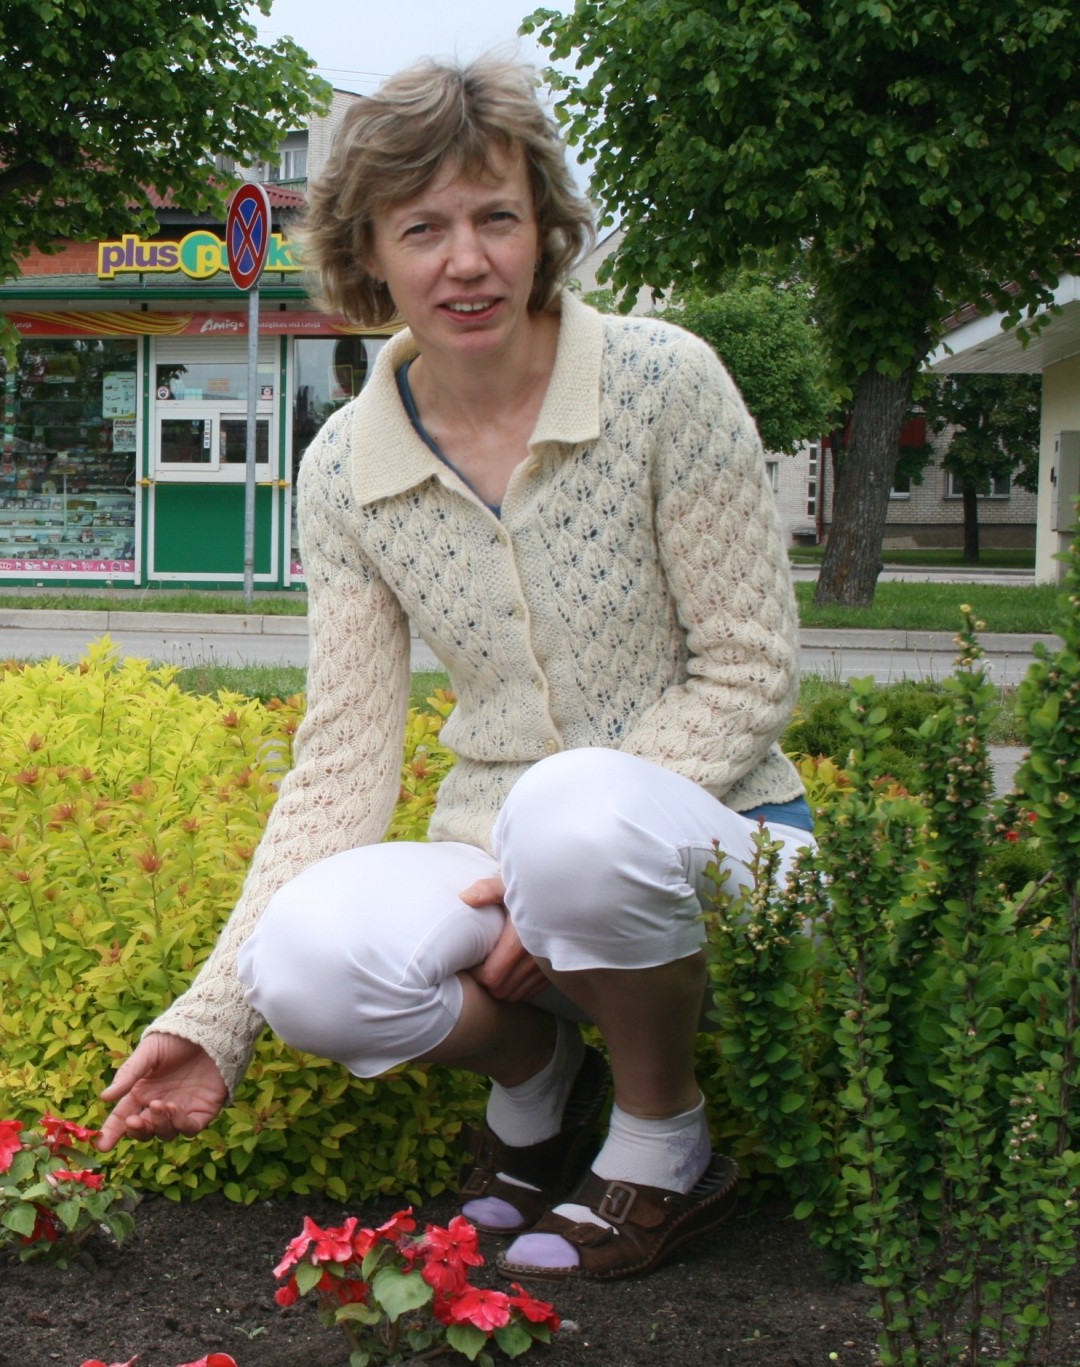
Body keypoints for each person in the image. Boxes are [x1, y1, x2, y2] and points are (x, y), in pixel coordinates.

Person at [94, 57, 813, 1283]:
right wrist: (213, 1021)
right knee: (310, 959)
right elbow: (341, 760)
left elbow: (748, 672)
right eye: (420, 227)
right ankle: (536, 1090)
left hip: (725, 829)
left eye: (494, 217)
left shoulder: (662, 382)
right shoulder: (341, 468)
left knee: (573, 816)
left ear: (544, 228)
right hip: (502, 851)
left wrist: (548, 869)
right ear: (369, 252)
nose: (464, 260)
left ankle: (663, 1137)